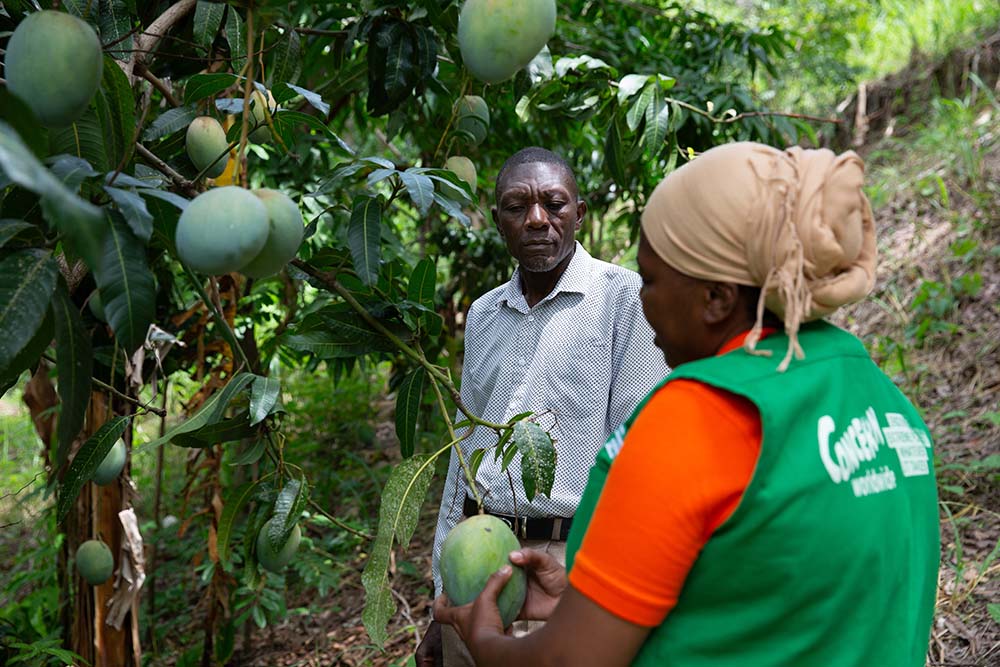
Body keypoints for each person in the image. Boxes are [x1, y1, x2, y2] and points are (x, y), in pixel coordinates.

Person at [433, 142, 940, 667]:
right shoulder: (885, 403)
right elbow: (775, 589)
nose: (644, 304)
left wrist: (488, 642)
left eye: (651, 280)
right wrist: (580, 602)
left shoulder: (691, 421)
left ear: (716, 298)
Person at [417, 147, 670, 666]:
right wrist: (441, 600)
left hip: (568, 566)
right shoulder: (485, 314)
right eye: (517, 206)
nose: (537, 219)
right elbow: (464, 456)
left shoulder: (623, 300)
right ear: (497, 221)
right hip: (476, 564)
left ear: (579, 213)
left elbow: (637, 460)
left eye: (554, 204)